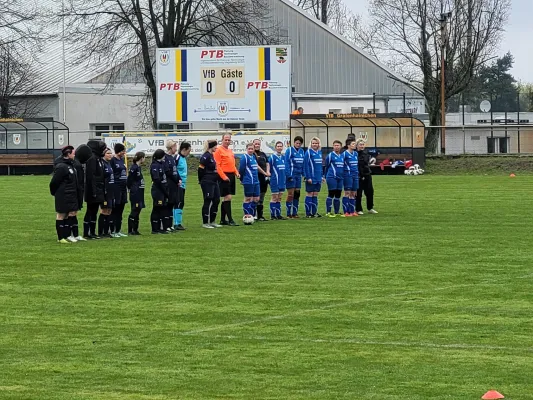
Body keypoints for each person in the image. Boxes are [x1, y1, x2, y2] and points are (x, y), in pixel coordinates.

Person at [50, 146, 81, 243]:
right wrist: (55, 192)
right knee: (61, 214)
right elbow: (54, 182)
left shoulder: (71, 165)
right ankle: (60, 238)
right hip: (63, 194)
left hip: (71, 194)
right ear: (68, 154)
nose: (74, 155)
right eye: (73, 153)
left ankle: (67, 235)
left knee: (69, 214)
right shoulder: (61, 166)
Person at [213, 134, 240, 226]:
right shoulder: (218, 150)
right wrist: (223, 176)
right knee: (228, 197)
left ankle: (222, 220)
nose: (227, 141)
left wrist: (236, 172)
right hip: (224, 175)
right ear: (222, 140)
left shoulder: (230, 151)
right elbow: (217, 165)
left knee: (226, 198)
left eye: (229, 140)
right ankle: (230, 219)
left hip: (231, 175)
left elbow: (232, 164)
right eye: (226, 140)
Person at [83, 140, 107, 239]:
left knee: (95, 211)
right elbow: (91, 176)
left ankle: (92, 232)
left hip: (99, 188)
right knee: (90, 210)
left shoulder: (99, 159)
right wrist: (93, 191)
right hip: (92, 189)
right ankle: (86, 233)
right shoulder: (92, 159)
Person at [198, 140, 222, 229]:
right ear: (211, 146)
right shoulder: (205, 156)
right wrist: (201, 180)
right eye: (215, 146)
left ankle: (212, 221)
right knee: (208, 200)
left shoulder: (212, 155)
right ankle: (205, 222)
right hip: (207, 181)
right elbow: (200, 169)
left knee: (216, 199)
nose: (217, 147)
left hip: (214, 181)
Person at [110, 143, 128, 237]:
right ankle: (112, 230)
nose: (124, 153)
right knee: (115, 209)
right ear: (119, 151)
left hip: (123, 187)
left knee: (121, 208)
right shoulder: (113, 160)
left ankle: (118, 230)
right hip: (116, 187)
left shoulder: (121, 160)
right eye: (123, 151)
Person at [163, 139, 182, 233]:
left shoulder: (172, 157)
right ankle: (166, 226)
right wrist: (175, 179)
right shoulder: (165, 158)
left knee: (172, 204)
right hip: (169, 184)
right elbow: (168, 172)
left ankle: (170, 225)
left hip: (175, 184)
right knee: (168, 204)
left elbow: (175, 170)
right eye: (175, 146)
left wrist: (179, 178)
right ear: (171, 147)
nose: (176, 148)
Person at [324, 140, 346, 217]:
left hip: (340, 178)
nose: (336, 147)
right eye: (335, 145)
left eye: (338, 145)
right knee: (331, 193)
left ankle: (336, 212)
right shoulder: (330, 155)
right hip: (332, 177)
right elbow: (326, 166)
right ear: (333, 147)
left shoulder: (342, 156)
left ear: (341, 147)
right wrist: (325, 176)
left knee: (338, 194)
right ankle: (328, 212)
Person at [284, 136, 304, 218]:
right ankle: (289, 213)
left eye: (299, 143)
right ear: (294, 143)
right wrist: (288, 175)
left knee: (297, 193)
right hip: (291, 175)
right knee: (290, 194)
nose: (298, 144)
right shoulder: (289, 150)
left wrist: (303, 174)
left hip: (298, 175)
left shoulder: (302, 151)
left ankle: (295, 213)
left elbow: (303, 164)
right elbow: (287, 163)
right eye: (297, 143)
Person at [238, 143, 260, 219]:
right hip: (248, 181)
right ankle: (247, 216)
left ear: (254, 149)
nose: (250, 150)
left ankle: (253, 214)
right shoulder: (244, 157)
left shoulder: (254, 156)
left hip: (256, 181)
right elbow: (241, 169)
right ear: (246, 149)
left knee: (256, 199)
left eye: (252, 149)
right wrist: (241, 179)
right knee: (248, 198)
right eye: (249, 149)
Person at [303, 137, 323, 218]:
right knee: (310, 193)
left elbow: (320, 166)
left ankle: (314, 212)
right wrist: (308, 177)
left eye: (316, 143)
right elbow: (305, 165)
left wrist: (322, 176)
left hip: (318, 177)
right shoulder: (308, 152)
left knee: (315, 194)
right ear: (311, 144)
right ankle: (308, 213)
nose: (315, 144)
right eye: (313, 143)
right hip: (311, 177)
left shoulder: (319, 152)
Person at [356, 139, 378, 215]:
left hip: (367, 174)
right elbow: (358, 166)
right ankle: (358, 209)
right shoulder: (355, 154)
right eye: (360, 144)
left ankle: (370, 208)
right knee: (358, 193)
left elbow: (366, 164)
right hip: (359, 175)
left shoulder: (366, 153)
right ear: (357, 145)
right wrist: (360, 175)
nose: (362, 146)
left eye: (363, 144)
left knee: (370, 192)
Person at [150, 149, 169, 234]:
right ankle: (155, 228)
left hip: (163, 189)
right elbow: (156, 179)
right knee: (157, 208)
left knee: (162, 208)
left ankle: (161, 227)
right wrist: (163, 190)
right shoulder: (154, 165)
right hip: (158, 190)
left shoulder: (161, 164)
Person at [127, 151, 146, 235]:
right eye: (144, 157)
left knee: (138, 210)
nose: (144, 159)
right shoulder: (134, 168)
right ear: (141, 158)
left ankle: (136, 229)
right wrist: (131, 189)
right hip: (135, 192)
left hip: (140, 192)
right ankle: (131, 230)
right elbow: (129, 180)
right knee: (135, 210)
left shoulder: (138, 167)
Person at [174, 142, 191, 230]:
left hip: (183, 184)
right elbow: (173, 169)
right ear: (184, 150)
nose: (189, 152)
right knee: (178, 202)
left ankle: (178, 223)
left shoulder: (183, 158)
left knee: (181, 202)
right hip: (178, 184)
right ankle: (176, 223)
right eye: (189, 150)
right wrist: (177, 179)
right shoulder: (177, 158)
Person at [99, 148, 115, 238]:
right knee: (104, 210)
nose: (110, 155)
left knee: (109, 210)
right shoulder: (102, 164)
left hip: (111, 190)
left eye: (111, 153)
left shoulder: (109, 164)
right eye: (108, 153)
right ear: (104, 154)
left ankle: (107, 231)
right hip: (104, 191)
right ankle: (101, 232)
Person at [253, 138, 270, 221]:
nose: (257, 145)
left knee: (262, 196)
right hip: (256, 177)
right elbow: (256, 166)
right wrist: (264, 172)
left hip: (263, 178)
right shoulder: (252, 154)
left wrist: (268, 171)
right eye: (255, 144)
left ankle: (260, 215)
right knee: (256, 196)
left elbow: (267, 163)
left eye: (258, 144)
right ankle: (254, 214)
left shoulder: (263, 154)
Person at [268, 141, 287, 220]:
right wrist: (268, 174)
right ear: (275, 148)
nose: (279, 148)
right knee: (274, 197)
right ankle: (273, 215)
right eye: (278, 146)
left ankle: (278, 214)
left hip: (282, 180)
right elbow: (268, 166)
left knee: (279, 198)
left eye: (281, 146)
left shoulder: (283, 157)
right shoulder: (272, 157)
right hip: (275, 180)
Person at [343, 139, 359, 217]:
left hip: (355, 175)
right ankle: (346, 212)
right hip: (348, 175)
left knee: (353, 193)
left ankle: (352, 211)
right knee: (347, 193)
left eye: (355, 144)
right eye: (353, 144)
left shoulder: (355, 153)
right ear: (348, 145)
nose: (355, 145)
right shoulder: (345, 154)